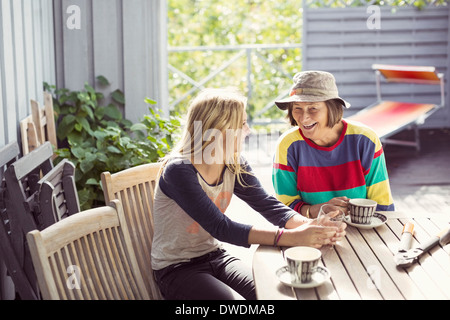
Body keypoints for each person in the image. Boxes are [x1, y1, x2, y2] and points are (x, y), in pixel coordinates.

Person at [151, 88, 346, 300]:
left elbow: (267, 204)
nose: (248, 130)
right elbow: (221, 227)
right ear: (220, 128)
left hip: (217, 258)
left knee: (272, 295)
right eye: (242, 124)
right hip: (177, 269)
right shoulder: (179, 170)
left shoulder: (233, 163)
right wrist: (290, 238)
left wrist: (312, 227)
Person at [272, 70, 395, 219]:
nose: (304, 118)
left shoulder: (365, 140)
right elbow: (284, 209)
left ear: (332, 108)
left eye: (313, 108)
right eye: (297, 108)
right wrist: (313, 211)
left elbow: (383, 207)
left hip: (364, 229)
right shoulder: (288, 145)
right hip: (309, 231)